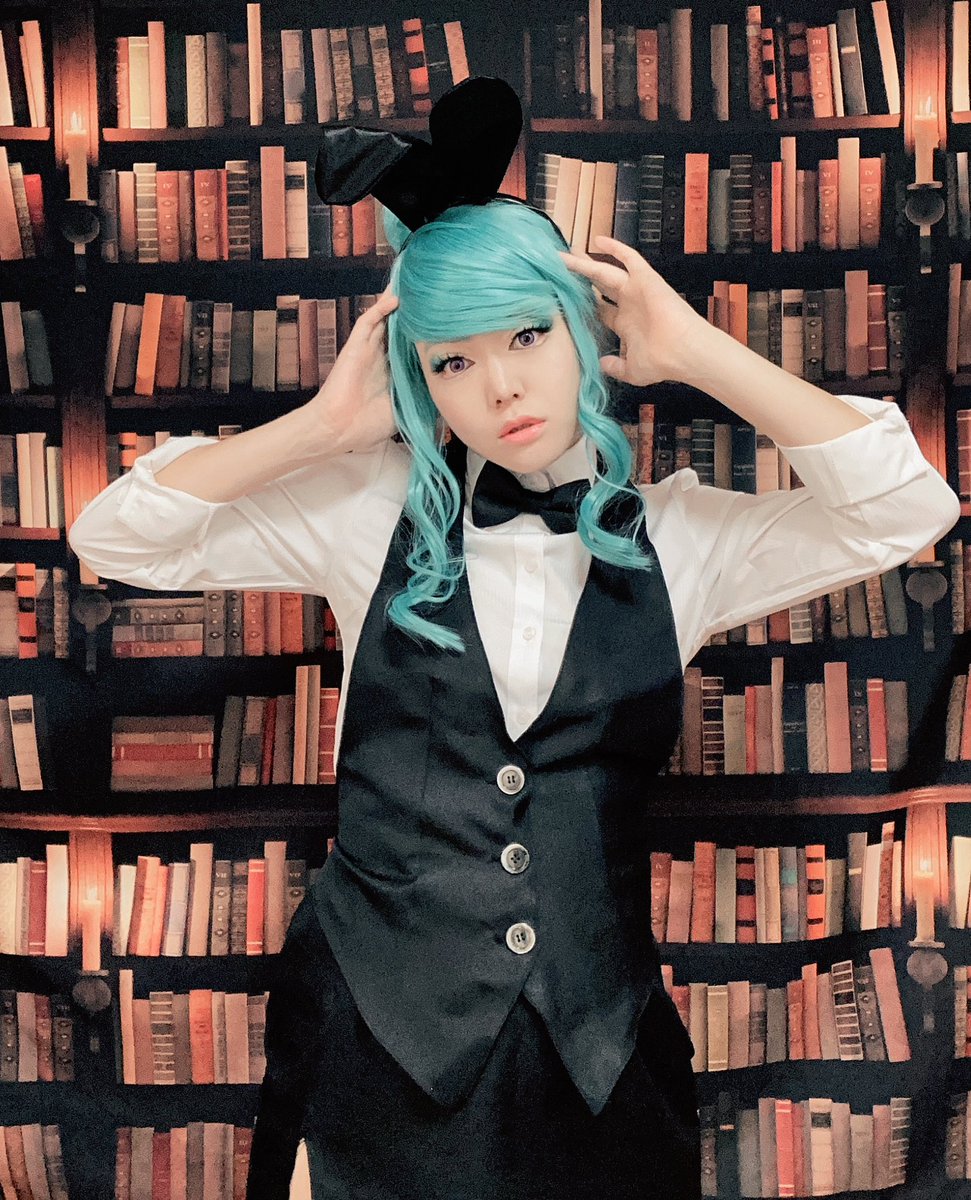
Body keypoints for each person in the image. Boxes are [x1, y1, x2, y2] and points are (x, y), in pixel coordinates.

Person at [66, 78, 960, 1200]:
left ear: (580, 329)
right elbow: (113, 535)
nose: (498, 387)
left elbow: (906, 509)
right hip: (378, 1039)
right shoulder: (365, 512)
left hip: (597, 1048)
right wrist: (322, 428)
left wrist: (700, 351)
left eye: (528, 335)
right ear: (420, 380)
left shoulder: (681, 539)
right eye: (452, 360)